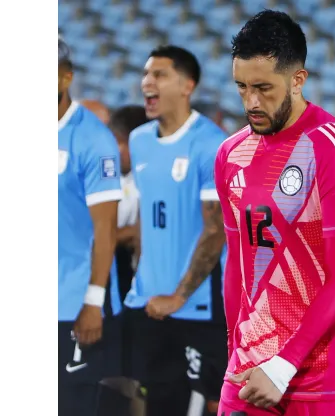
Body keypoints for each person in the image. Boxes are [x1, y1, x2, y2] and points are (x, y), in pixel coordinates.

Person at [215, 10, 335, 415]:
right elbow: (237, 265)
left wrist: (285, 364)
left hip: (332, 377)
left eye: (263, 88)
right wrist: (234, 352)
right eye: (241, 87)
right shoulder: (230, 155)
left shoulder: (333, 146)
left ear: (297, 79)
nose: (251, 102)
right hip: (253, 372)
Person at [124, 45, 228, 416]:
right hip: (148, 302)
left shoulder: (211, 143)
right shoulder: (138, 140)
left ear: (188, 85)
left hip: (197, 306)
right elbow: (146, 216)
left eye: (159, 75)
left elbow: (217, 230)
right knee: (159, 403)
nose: (147, 83)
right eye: (146, 74)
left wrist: (180, 296)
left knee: (215, 402)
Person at [58, 36, 123, 416]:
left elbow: (106, 229)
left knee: (71, 405)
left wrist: (93, 302)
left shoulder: (92, 138)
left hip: (71, 304)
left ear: (65, 78)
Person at [108, 105, 149, 302]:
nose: (117, 150)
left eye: (122, 143)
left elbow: (141, 231)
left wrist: (108, 237)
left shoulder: (150, 179)